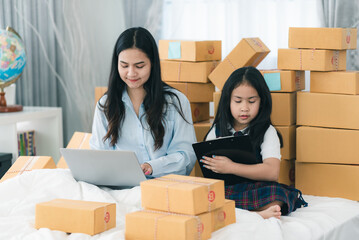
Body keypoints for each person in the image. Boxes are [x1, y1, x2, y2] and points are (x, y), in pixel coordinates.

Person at [201, 66, 307, 219]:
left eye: (251, 101)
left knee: (277, 195)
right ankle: (256, 213)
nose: (244, 108)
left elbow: (272, 172)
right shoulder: (217, 130)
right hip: (226, 189)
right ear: (227, 101)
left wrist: (231, 167)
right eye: (238, 101)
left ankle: (242, 213)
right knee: (205, 196)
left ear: (262, 102)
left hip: (256, 187)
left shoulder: (267, 131)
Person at [90, 27, 197, 178]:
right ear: (116, 64)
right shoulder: (106, 104)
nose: (131, 73)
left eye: (139, 66)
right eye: (124, 65)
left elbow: (186, 157)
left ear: (152, 64)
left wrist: (152, 167)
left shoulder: (176, 102)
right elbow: (98, 155)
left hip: (162, 186)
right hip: (120, 189)